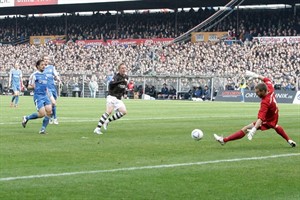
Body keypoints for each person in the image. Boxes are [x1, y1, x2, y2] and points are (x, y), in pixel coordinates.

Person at [214, 70, 297, 147]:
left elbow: (261, 119)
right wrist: (255, 75)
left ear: (263, 91)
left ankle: (224, 140)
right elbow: (266, 79)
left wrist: (254, 129)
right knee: (275, 126)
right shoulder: (270, 88)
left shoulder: (265, 102)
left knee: (246, 129)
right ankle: (289, 140)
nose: (256, 94)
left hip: (268, 119)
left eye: (258, 92)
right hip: (274, 114)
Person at [94, 63, 128, 135]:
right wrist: (121, 81)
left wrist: (124, 93)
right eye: (122, 68)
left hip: (118, 98)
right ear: (119, 69)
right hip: (112, 96)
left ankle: (107, 121)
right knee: (108, 111)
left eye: (124, 68)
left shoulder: (126, 77)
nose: (124, 69)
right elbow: (111, 84)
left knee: (124, 112)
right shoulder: (116, 77)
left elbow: (123, 87)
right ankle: (97, 129)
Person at [22, 60, 52, 134]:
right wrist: (33, 87)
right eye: (42, 65)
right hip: (38, 96)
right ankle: (27, 118)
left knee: (49, 111)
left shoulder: (45, 75)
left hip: (45, 95)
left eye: (44, 65)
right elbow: (29, 86)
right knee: (42, 114)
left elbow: (46, 87)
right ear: (37, 66)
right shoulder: (34, 75)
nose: (43, 66)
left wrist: (50, 97)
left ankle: (43, 129)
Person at [43, 56, 61, 125]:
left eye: (47, 59)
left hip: (53, 87)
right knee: (52, 103)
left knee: (53, 104)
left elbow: (56, 74)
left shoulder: (51, 67)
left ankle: (51, 117)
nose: (46, 60)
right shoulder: (42, 68)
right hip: (47, 89)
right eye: (45, 59)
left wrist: (58, 79)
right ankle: (55, 118)